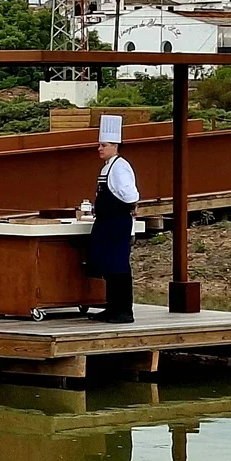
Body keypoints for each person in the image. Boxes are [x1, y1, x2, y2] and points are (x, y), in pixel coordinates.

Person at [89, 114, 139, 323]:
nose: (99, 149)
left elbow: (130, 194)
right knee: (108, 265)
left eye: (103, 145)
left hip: (115, 223)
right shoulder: (107, 166)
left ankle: (123, 310)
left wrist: (130, 205)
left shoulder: (120, 166)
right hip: (106, 223)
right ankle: (112, 307)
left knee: (117, 265)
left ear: (115, 146)